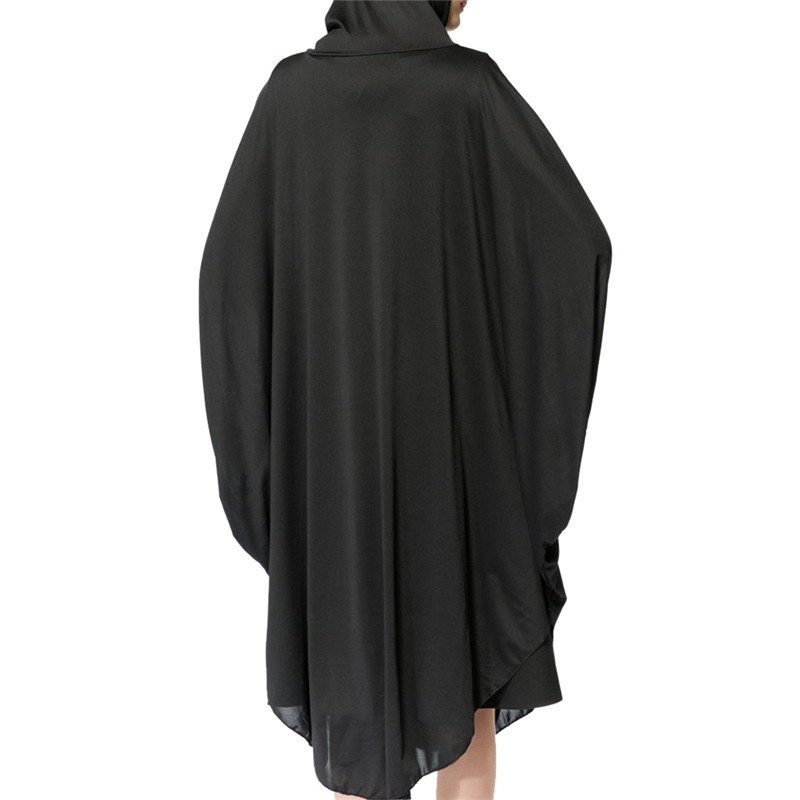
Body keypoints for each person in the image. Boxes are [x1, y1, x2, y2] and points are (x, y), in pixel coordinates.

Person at [198, 2, 612, 799]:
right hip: (458, 467)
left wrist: (270, 475)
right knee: (469, 682)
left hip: (334, 479)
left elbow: (229, 285)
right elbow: (576, 244)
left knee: (354, 711)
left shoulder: (290, 96)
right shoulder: (468, 90)